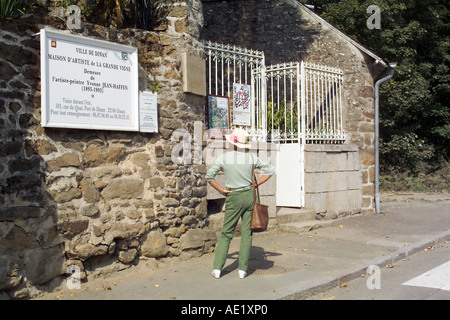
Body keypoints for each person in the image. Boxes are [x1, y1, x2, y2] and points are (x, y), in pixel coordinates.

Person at [205, 128, 275, 279]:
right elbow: (270, 170)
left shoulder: (224, 158)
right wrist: (256, 184)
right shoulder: (251, 158)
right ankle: (242, 270)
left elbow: (209, 176)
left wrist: (221, 190)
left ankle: (217, 268)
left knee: (226, 233)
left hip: (233, 196)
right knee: (247, 234)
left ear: (233, 144)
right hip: (249, 195)